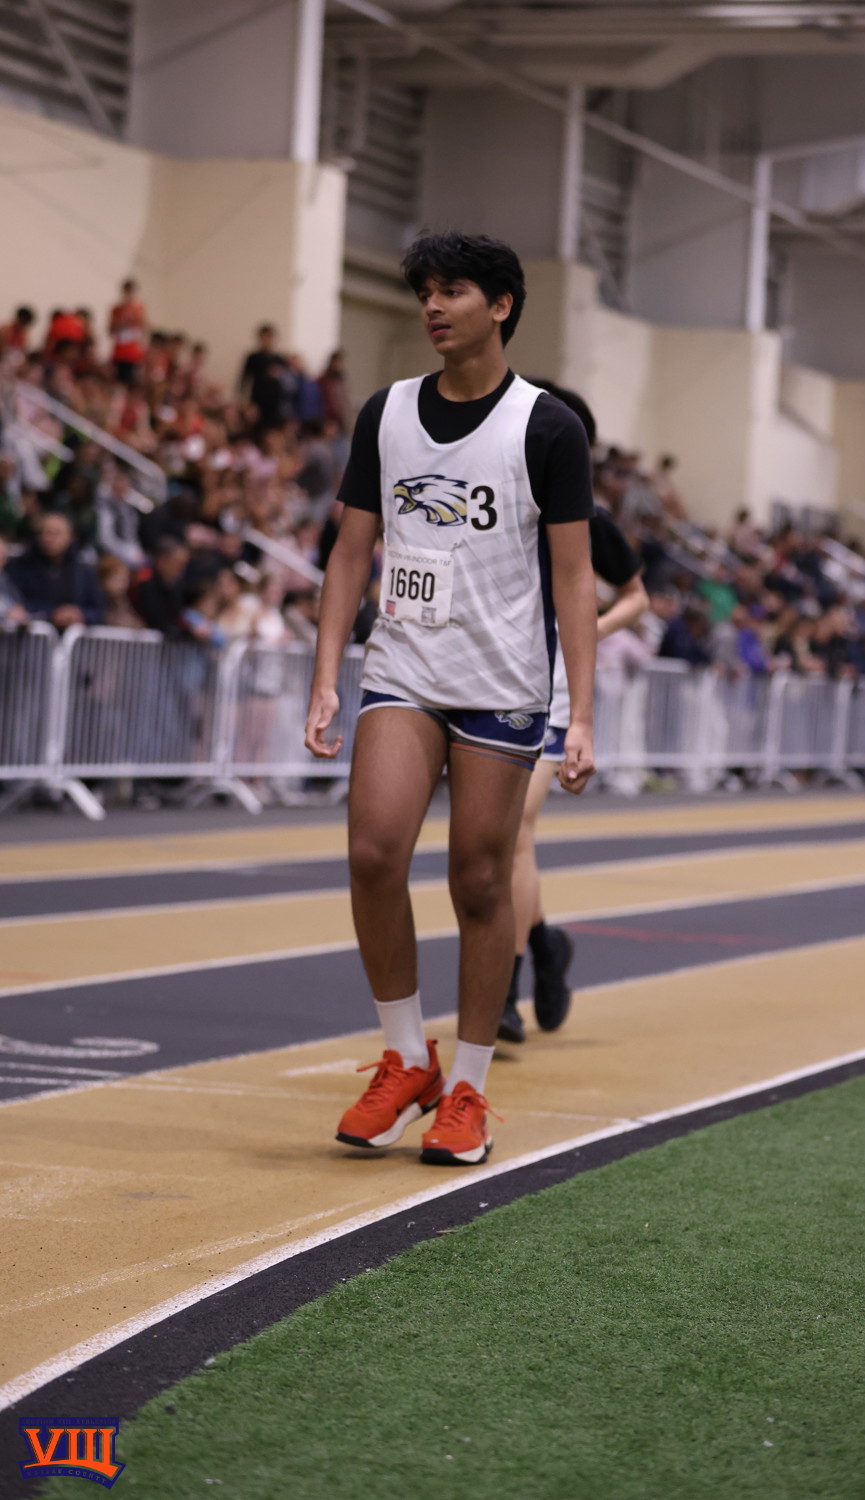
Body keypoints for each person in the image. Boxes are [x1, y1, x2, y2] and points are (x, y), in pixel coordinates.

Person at [305, 231, 597, 1167]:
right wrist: (326, 674)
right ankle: (405, 1059)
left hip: (501, 682)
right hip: (403, 668)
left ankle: (468, 1086)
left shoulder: (547, 427)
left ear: (501, 305)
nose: (433, 306)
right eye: (425, 291)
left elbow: (575, 576)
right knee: (372, 852)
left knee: (478, 877)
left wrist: (583, 713)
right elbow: (351, 550)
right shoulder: (387, 413)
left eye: (454, 290)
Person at [499, 380, 647, 1043]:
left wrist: (589, 625)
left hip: (553, 689)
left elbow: (637, 596)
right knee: (495, 841)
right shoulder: (500, 496)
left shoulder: (586, 515)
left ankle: (504, 988)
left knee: (514, 832)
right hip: (491, 679)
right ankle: (544, 944)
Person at [4, 511, 103, 628]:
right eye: (42, 533)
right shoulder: (19, 566)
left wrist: (80, 615)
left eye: (55, 534)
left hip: (74, 636)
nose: (47, 538)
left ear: (70, 536)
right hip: (32, 634)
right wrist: (51, 613)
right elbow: (15, 602)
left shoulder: (84, 571)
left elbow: (98, 609)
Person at [108, 279, 147, 387]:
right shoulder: (116, 310)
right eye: (127, 291)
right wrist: (120, 323)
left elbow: (145, 328)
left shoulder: (139, 309)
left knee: (133, 384)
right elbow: (110, 331)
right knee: (118, 383)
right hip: (119, 353)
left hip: (134, 353)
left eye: (131, 292)